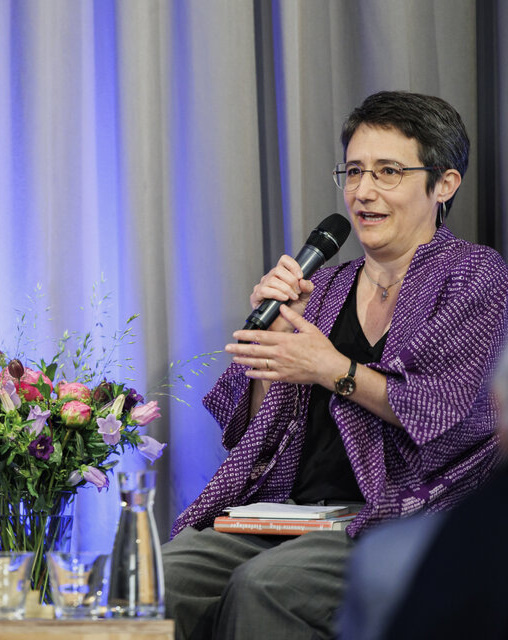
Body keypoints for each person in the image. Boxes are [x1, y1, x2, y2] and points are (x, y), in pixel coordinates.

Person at [162, 90, 508, 639]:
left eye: (388, 172)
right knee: (165, 576)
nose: (363, 192)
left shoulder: (473, 275)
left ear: (443, 184)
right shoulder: (323, 285)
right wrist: (273, 344)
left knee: (268, 586)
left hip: (394, 514)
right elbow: (253, 432)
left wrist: (333, 368)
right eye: (353, 171)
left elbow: (447, 414)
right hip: (287, 513)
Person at [339, 348, 508, 640]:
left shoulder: (387, 560)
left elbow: (443, 411)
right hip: (293, 506)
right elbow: (246, 433)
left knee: (265, 582)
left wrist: (340, 372)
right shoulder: (321, 304)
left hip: (404, 511)